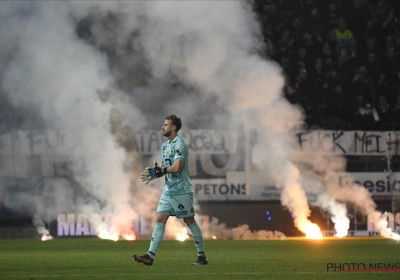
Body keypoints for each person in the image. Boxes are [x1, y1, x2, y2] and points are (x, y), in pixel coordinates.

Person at [132, 114, 208, 266]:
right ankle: (150, 256)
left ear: (173, 128)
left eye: (166, 125)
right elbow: (164, 164)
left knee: (189, 220)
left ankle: (202, 256)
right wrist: (156, 171)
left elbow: (178, 167)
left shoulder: (180, 144)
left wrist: (163, 170)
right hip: (168, 190)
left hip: (181, 190)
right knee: (160, 219)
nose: (163, 127)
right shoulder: (165, 146)